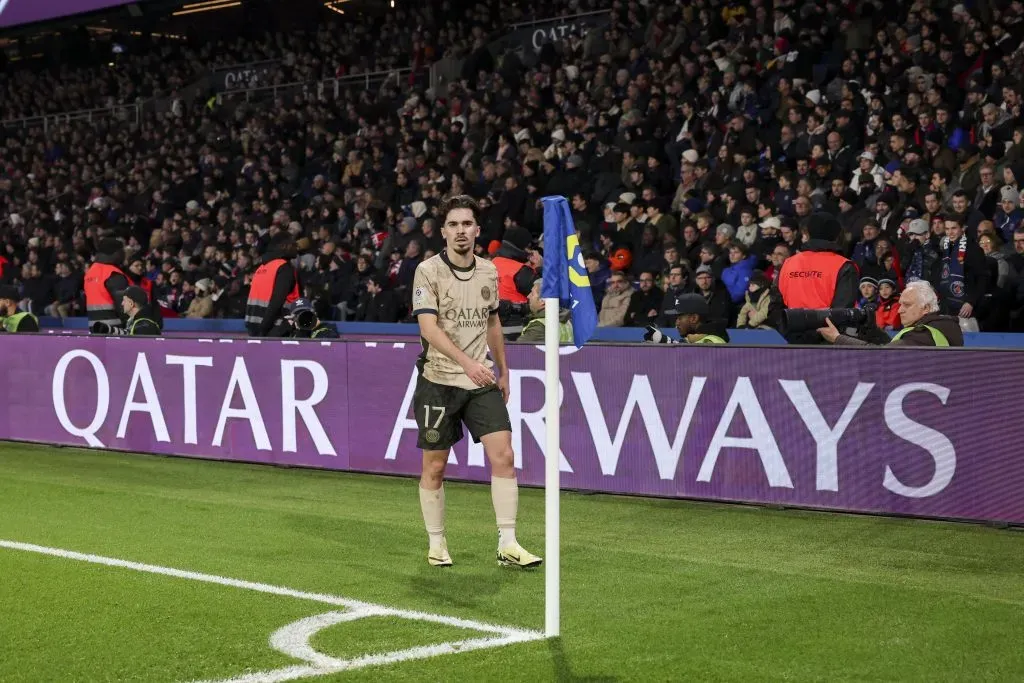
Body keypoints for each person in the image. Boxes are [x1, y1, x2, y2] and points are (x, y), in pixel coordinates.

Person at [410, 194, 541, 568]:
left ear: (477, 230)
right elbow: (428, 327)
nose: (461, 230)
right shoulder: (428, 271)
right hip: (439, 379)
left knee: (505, 455)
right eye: (453, 224)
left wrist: (503, 369)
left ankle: (509, 544)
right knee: (434, 467)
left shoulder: (488, 271)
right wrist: (468, 362)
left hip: (481, 378)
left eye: (467, 224)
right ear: (443, 232)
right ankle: (437, 543)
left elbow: (492, 322)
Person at [777, 213, 859, 342]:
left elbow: (774, 306)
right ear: (836, 235)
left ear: (808, 233)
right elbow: (842, 313)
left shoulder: (789, 263)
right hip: (827, 342)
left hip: (794, 339)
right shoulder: (844, 266)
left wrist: (789, 332)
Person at [818, 281, 964, 346]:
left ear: (925, 308)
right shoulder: (944, 325)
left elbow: (881, 355)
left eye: (906, 305)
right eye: (900, 304)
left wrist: (837, 338)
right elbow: (893, 347)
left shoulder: (922, 334)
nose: (900, 310)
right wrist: (874, 331)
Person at [245, 233, 300, 337]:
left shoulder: (261, 267)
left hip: (253, 325)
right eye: (294, 244)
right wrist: (263, 329)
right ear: (284, 246)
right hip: (274, 327)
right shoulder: (284, 268)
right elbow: (277, 300)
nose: (297, 247)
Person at [84, 238, 130, 334]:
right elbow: (124, 307)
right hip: (116, 331)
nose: (124, 254)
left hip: (95, 329)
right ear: (115, 253)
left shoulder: (90, 273)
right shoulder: (112, 274)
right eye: (122, 251)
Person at [643, 293, 730, 343]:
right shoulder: (693, 339)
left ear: (694, 318)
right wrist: (663, 340)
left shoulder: (712, 342)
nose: (676, 323)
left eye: (679, 318)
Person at [517, 276, 573, 343]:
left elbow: (518, 350)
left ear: (542, 301)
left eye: (532, 293)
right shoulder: (566, 320)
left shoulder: (539, 327)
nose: (528, 296)